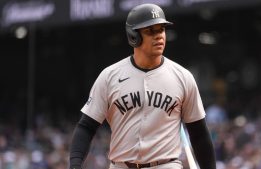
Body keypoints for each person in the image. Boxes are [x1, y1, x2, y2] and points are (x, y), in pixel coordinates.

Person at [69, 3, 216, 169]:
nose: (159, 36)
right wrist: (74, 165)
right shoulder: (109, 76)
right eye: (150, 31)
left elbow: (199, 134)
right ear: (134, 36)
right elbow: (86, 127)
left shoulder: (183, 77)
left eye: (161, 29)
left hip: (166, 165)